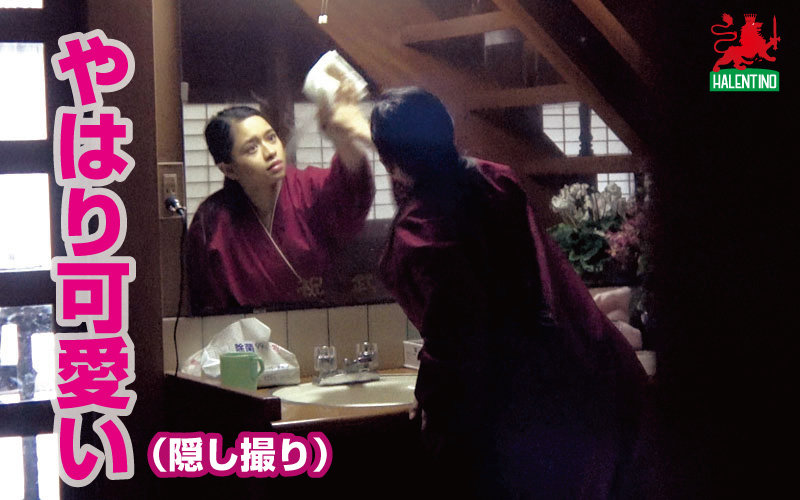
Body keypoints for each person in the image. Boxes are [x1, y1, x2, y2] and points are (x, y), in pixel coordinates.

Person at [371, 87, 648, 499]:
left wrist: (434, 400)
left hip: (517, 408)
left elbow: (455, 335)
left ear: (391, 160)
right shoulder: (493, 179)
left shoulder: (422, 227)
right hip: (582, 374)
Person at [186, 85, 374, 315]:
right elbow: (207, 305)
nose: (270, 151)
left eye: (271, 138)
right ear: (229, 169)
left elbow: (351, 192)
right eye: (252, 148)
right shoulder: (212, 221)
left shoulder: (308, 186)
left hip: (325, 321)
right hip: (248, 334)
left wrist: (345, 143)